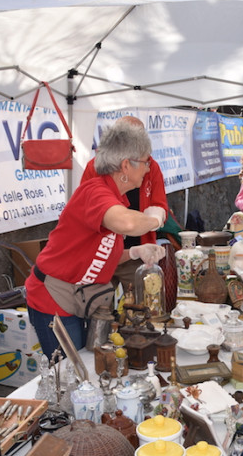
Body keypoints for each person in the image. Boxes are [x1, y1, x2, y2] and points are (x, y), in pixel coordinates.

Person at [25, 120, 167, 358]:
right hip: (53, 299)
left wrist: (133, 253)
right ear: (125, 165)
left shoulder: (114, 196)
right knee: (70, 371)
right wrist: (155, 219)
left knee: (85, 364)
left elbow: (100, 253)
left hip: (78, 297)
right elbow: (127, 223)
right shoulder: (95, 192)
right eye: (145, 162)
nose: (147, 168)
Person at [80, 115, 168, 289]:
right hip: (100, 256)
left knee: (146, 305)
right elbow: (123, 222)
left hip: (135, 254)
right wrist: (154, 220)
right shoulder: (95, 173)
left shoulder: (151, 167)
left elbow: (160, 205)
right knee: (99, 309)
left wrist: (138, 249)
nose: (147, 167)